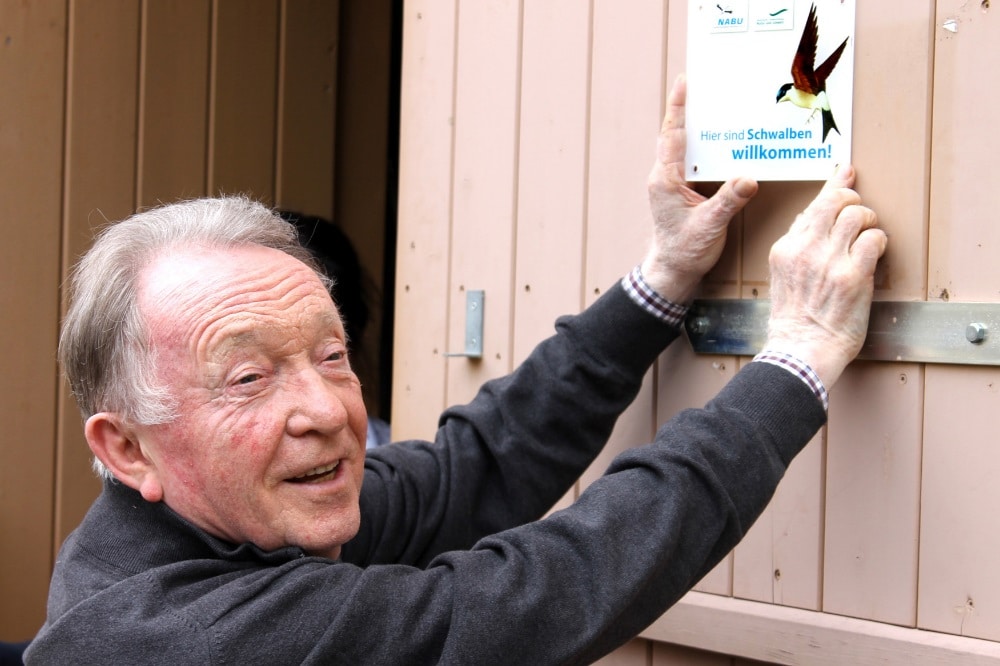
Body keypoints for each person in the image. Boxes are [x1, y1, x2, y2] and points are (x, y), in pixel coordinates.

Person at [26, 75, 885, 665]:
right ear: (128, 448)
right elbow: (537, 597)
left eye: (333, 356)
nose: (325, 408)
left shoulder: (237, 515)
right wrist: (795, 359)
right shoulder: (181, 634)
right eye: (248, 379)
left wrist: (660, 282)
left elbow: (472, 471)